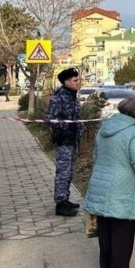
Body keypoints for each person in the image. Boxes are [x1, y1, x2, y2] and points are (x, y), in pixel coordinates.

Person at [83, 97, 135, 268]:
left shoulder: (105, 128)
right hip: (122, 188)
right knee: (122, 233)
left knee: (105, 231)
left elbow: (96, 156)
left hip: (100, 183)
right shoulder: (133, 131)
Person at [45, 67, 83, 216]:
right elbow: (49, 118)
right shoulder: (59, 98)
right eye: (75, 80)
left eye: (78, 79)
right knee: (63, 172)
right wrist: (65, 125)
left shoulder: (72, 96)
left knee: (69, 171)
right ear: (66, 82)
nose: (78, 82)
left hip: (73, 140)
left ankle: (65, 199)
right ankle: (60, 204)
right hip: (64, 140)